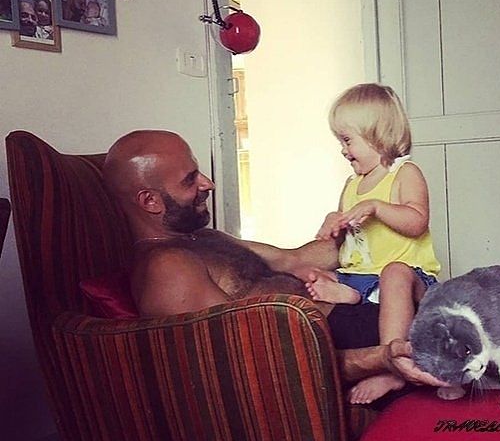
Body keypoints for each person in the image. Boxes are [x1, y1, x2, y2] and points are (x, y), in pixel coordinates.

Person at [103, 130, 448, 391]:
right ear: (150, 201)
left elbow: (293, 258)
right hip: (335, 341)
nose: (208, 184)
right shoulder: (167, 268)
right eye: (190, 179)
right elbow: (256, 359)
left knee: (468, 307)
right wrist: (382, 358)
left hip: (353, 314)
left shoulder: (206, 239)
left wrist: (351, 224)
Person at [303, 84, 440, 404]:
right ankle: (351, 294)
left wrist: (378, 207)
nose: (343, 150)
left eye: (347, 140)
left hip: (409, 279)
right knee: (314, 275)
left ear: (377, 136)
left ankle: (392, 366)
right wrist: (333, 222)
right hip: (361, 277)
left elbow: (417, 221)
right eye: (340, 141)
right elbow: (347, 239)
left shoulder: (404, 173)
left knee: (394, 272)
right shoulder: (352, 184)